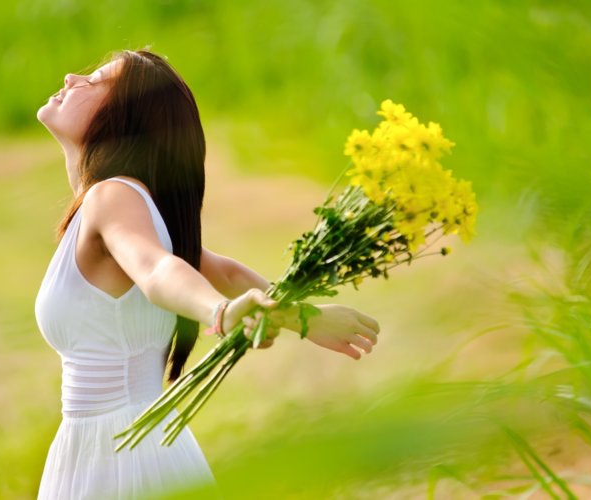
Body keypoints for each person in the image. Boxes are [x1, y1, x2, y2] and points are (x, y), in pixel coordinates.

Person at [33, 49, 381, 499]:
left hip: (117, 453)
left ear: (122, 119)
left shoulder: (112, 197)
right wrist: (304, 317)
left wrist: (220, 313)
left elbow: (159, 271)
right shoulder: (118, 203)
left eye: (95, 81)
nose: (70, 77)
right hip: (122, 445)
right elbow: (224, 271)